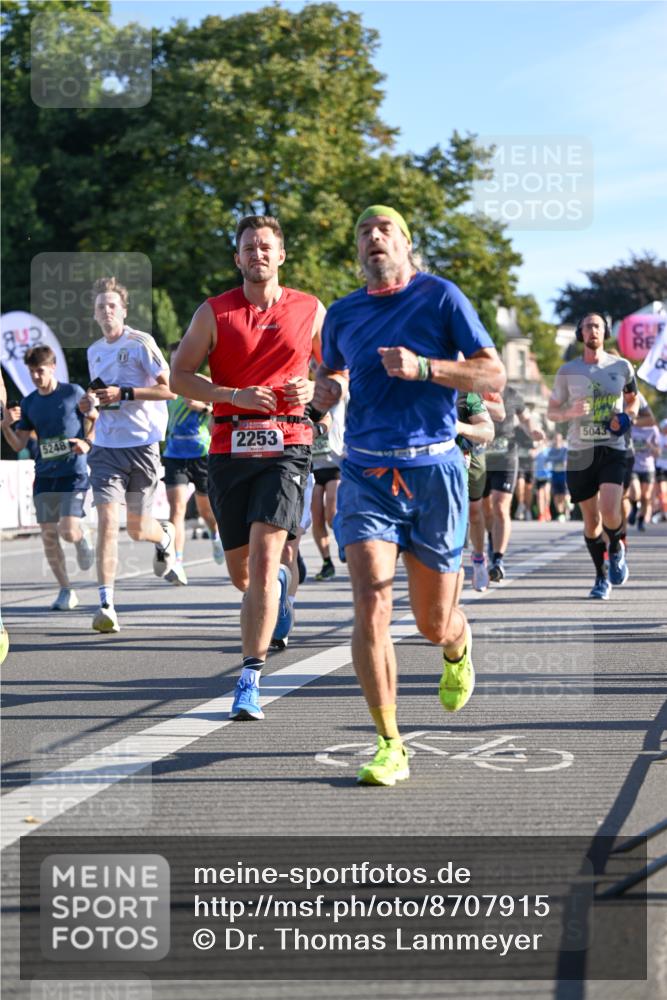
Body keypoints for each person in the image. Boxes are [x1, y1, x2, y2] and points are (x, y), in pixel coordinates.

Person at [314, 204, 505, 786]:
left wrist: (425, 368)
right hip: (368, 474)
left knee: (431, 622)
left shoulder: (442, 297)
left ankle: (456, 643)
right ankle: (389, 742)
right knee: (371, 599)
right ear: (357, 251)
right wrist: (320, 394)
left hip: (435, 473)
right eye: (364, 232)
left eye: (385, 230)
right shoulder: (342, 314)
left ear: (405, 243)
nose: (374, 238)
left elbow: (492, 375)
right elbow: (331, 378)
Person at [169, 214, 325, 720]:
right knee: (243, 575)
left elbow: (336, 370)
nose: (257, 254)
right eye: (248, 248)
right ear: (237, 259)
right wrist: (232, 395)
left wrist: (315, 388)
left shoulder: (310, 308)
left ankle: (249, 677)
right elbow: (179, 377)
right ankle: (277, 587)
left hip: (289, 443)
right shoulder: (214, 312)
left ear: (281, 255)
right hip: (228, 448)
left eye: (266, 246)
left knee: (262, 559)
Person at [79, 276, 176, 633]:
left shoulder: (140, 343)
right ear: (94, 313)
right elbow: (102, 400)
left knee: (137, 529)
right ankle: (106, 604)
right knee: (106, 523)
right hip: (106, 448)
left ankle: (163, 536)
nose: (106, 311)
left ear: (123, 310)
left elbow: (170, 391)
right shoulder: (93, 351)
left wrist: (125, 393)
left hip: (142, 447)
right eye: (100, 307)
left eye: (112, 306)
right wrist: (90, 403)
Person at [547, 313, 639, 599]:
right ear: (580, 333)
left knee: (611, 508)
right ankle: (601, 577)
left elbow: (633, 399)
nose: (593, 330)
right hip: (579, 452)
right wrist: (569, 413)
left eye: (597, 326)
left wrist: (627, 418)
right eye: (587, 326)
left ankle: (616, 547)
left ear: (606, 331)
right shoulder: (567, 371)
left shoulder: (621, 366)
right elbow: (552, 412)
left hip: (612, 448)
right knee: (591, 521)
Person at [1, 346, 95, 611]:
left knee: (67, 531)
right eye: (31, 372)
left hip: (73, 472)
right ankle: (66, 590)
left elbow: (96, 420)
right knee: (48, 536)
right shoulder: (29, 402)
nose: (35, 377)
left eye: (39, 371)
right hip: (44, 475)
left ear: (52, 367)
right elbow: (19, 444)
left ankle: (81, 535)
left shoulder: (73, 393)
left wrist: (88, 442)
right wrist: (6, 425)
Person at [162, 385, 224, 585]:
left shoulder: (202, 383)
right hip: (174, 455)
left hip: (201, 454)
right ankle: (177, 562)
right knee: (177, 510)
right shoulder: (167, 387)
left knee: (205, 511)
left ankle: (216, 536)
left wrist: (202, 407)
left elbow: (220, 411)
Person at [483, 388, 545, 581]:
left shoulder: (512, 394)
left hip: (506, 456)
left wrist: (533, 429)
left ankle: (498, 559)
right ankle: (491, 544)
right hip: (480, 457)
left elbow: (526, 417)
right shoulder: (471, 390)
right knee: (485, 510)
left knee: (500, 507)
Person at [455, 390, 495, 591]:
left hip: (466, 456)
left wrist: (459, 427)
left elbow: (488, 430)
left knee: (473, 511)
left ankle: (479, 559)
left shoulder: (467, 394)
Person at [311, 395, 346, 581]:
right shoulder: (307, 401)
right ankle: (327, 563)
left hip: (335, 464)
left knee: (332, 515)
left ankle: (344, 542)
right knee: (317, 519)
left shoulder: (336, 401)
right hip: (314, 467)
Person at [628, 420, 660, 531]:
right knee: (636, 493)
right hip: (633, 467)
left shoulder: (653, 429)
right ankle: (634, 508)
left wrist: (649, 445)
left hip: (648, 468)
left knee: (646, 497)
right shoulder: (630, 428)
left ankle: (641, 521)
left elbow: (658, 452)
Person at [546, 431, 569, 521]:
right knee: (556, 495)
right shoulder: (551, 450)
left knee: (565, 494)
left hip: (564, 474)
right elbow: (548, 459)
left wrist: (559, 460)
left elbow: (565, 460)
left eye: (559, 439)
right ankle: (561, 513)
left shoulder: (565, 449)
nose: (557, 441)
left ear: (562, 440)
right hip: (555, 474)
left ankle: (567, 508)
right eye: (556, 439)